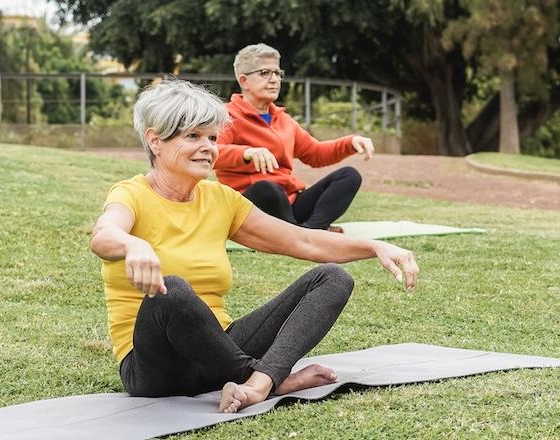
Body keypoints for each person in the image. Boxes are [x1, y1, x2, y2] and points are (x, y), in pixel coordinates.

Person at [91, 79, 419, 413]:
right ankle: (273, 379)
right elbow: (104, 235)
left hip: (218, 357)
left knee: (332, 279)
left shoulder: (221, 200)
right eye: (193, 136)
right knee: (170, 291)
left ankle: (258, 384)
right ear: (155, 141)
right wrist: (133, 245)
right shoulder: (131, 194)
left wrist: (375, 246)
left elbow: (302, 240)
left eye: (212, 137)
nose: (208, 147)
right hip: (156, 371)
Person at [214, 43, 374, 231]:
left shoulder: (285, 121)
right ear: (244, 81)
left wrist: (350, 143)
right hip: (250, 206)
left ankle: (311, 229)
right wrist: (246, 153)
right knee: (268, 188)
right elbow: (211, 152)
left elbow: (315, 154)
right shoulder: (226, 116)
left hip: (289, 204)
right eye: (265, 73)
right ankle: (297, 232)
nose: (274, 80)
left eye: (277, 73)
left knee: (349, 175)